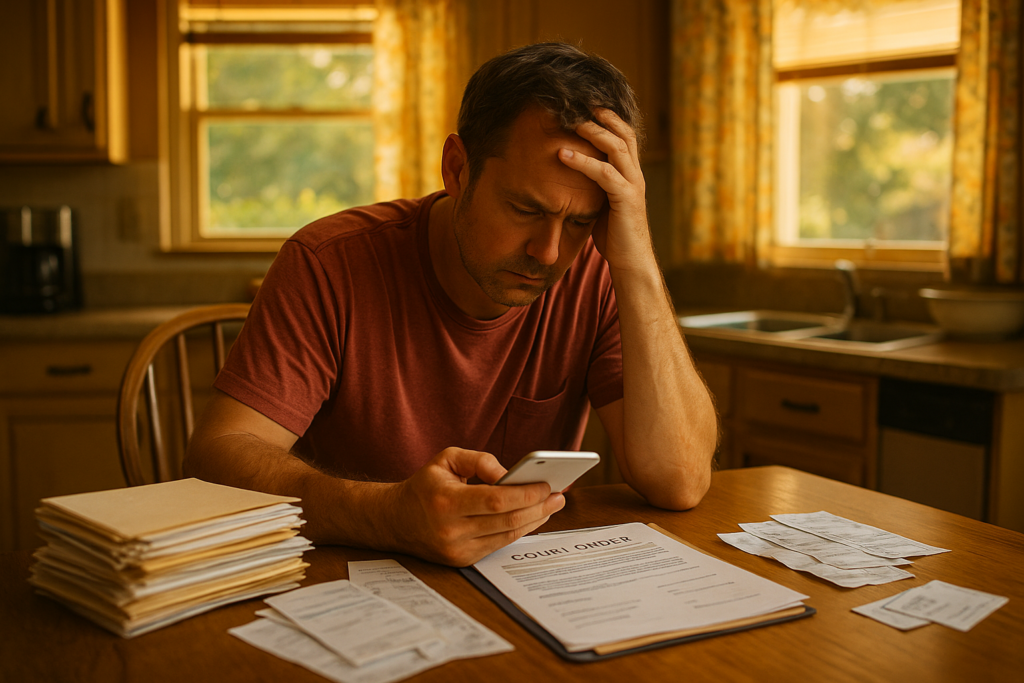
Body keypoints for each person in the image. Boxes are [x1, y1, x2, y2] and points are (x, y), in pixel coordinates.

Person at [185, 42, 717, 567]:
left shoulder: (598, 272)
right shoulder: (328, 263)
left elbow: (681, 480)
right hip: (351, 581)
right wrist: (386, 514)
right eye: (524, 208)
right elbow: (217, 458)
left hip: (525, 586)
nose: (548, 253)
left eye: (579, 222)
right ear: (457, 168)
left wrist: (637, 260)